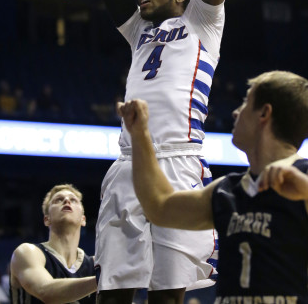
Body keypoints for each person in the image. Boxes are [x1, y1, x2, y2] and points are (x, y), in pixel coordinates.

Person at [90, 0, 227, 304]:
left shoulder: (203, 22)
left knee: (166, 296)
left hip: (179, 161)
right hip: (128, 165)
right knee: (114, 294)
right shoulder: (137, 30)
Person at [118, 70, 308, 303]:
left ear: (265, 113)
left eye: (246, 102)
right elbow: (159, 206)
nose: (235, 112)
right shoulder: (228, 189)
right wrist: (140, 134)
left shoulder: (303, 176)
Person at [10, 184, 97, 304]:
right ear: (47, 219)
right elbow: (45, 291)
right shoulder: (28, 252)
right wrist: (106, 280)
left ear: (83, 219)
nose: (67, 201)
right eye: (58, 200)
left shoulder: (95, 265)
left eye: (73, 200)